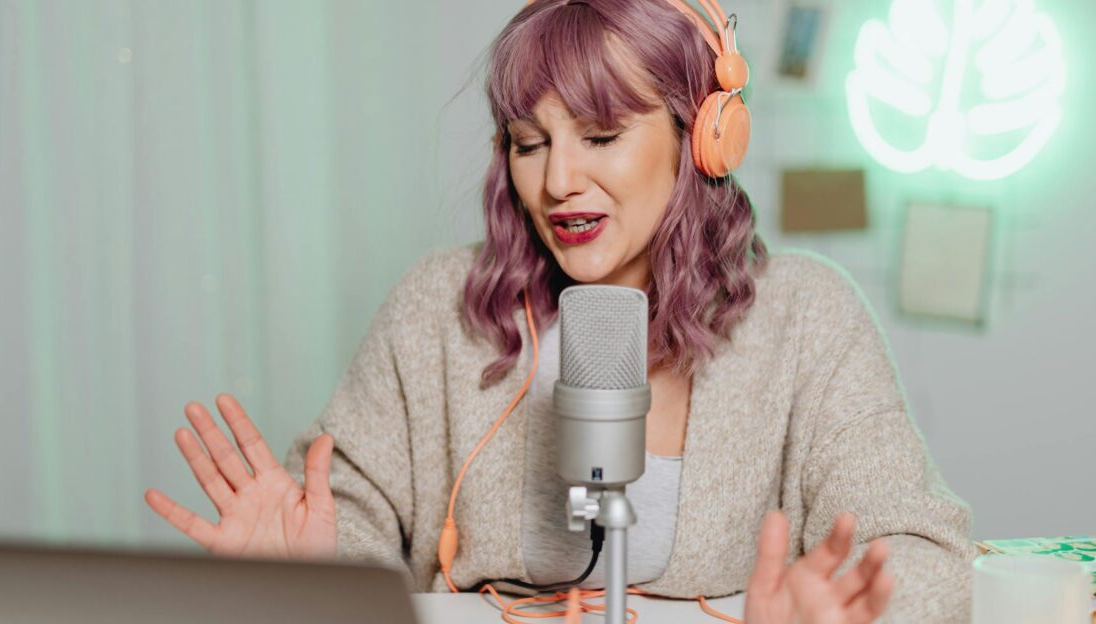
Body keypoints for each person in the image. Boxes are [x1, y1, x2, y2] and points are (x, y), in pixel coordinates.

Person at [144, 0, 974, 621]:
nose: (557, 183)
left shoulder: (806, 319)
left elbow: (922, 556)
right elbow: (348, 517)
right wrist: (312, 578)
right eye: (527, 142)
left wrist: (855, 615)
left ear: (702, 137)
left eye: (600, 135)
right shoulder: (439, 312)